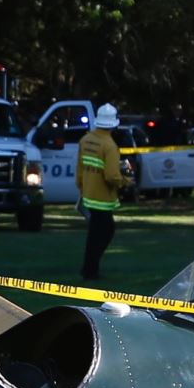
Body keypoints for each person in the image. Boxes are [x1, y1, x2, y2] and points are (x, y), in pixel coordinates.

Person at [77, 103, 128, 281]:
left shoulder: (86, 140)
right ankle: (90, 270)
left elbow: (80, 168)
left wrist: (81, 187)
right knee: (105, 232)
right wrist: (125, 181)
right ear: (114, 124)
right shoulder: (109, 145)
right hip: (102, 198)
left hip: (89, 193)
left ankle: (89, 268)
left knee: (95, 233)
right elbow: (112, 176)